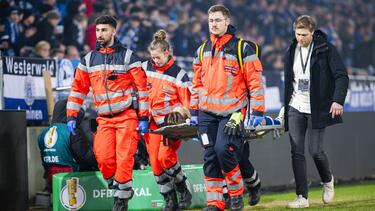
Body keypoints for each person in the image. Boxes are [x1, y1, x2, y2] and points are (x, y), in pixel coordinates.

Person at [66, 15, 149, 211]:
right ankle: (119, 186)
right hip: (103, 119)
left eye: (104, 30)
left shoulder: (128, 57)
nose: (100, 34)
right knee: (102, 157)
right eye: (98, 30)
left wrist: (144, 117)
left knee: (124, 157)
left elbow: (143, 89)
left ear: (114, 31)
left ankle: (121, 200)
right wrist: (71, 115)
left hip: (127, 116)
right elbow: (78, 90)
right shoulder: (88, 60)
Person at [190, 4, 265, 211]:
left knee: (224, 151)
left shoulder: (243, 49)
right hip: (206, 113)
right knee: (210, 156)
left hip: (233, 113)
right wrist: (194, 111)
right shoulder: (202, 49)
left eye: (217, 20)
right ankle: (215, 202)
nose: (213, 24)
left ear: (227, 21)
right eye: (211, 21)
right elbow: (196, 84)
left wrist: (257, 111)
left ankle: (235, 194)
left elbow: (255, 84)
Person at [283, 15, 349, 208]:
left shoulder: (326, 49)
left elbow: (341, 76)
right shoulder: (291, 49)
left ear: (313, 33)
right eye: (297, 34)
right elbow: (290, 81)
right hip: (295, 106)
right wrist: (285, 105)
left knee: (315, 150)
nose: (300, 38)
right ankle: (302, 197)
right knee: (296, 151)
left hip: (317, 108)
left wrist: (337, 100)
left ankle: (327, 181)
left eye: (304, 34)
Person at [142, 29, 192, 211]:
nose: (154, 61)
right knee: (155, 164)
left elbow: (189, 106)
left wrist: (180, 111)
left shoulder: (179, 76)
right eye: (152, 58)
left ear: (167, 53)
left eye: (157, 58)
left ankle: (183, 188)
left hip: (171, 126)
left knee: (165, 157)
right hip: (150, 124)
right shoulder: (143, 67)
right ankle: (170, 200)